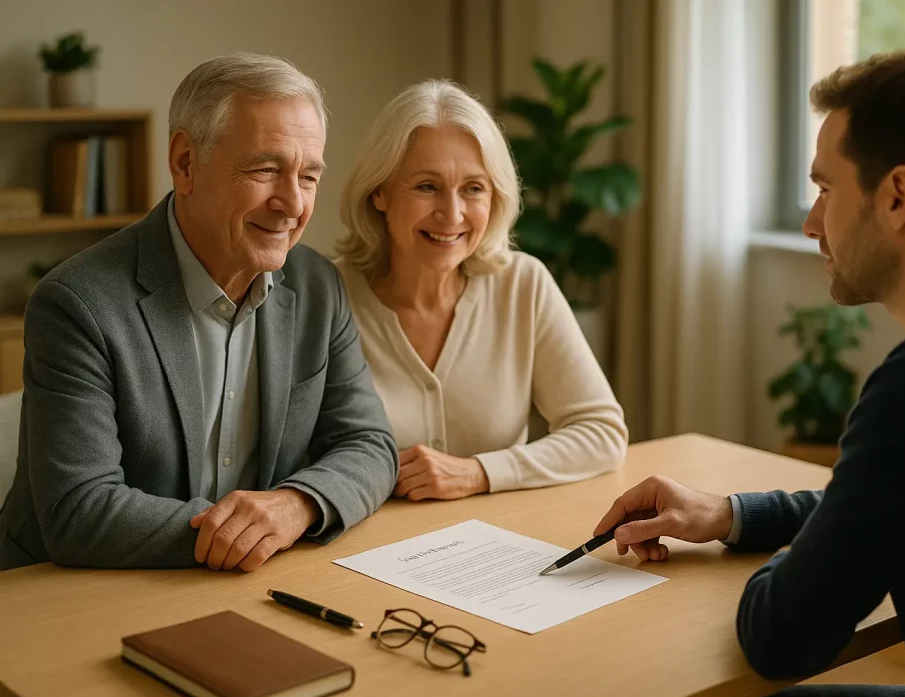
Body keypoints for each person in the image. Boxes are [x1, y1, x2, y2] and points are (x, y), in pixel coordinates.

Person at [593, 48, 905, 697]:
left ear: (899, 196)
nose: (811, 222)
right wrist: (731, 515)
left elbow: (780, 638)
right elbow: (888, 502)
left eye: (825, 189)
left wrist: (803, 562)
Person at [0, 53, 398, 572]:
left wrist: (296, 505)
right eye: (266, 169)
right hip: (64, 591)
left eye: (308, 176)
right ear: (185, 163)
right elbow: (81, 511)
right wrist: (248, 532)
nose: (294, 204)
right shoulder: (77, 303)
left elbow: (368, 443)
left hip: (240, 580)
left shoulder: (318, 286)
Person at [333, 80, 628, 501]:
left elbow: (601, 433)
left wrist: (479, 473)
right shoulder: (327, 297)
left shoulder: (523, 285)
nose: (451, 214)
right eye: (427, 186)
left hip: (496, 535)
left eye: (473, 188)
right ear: (379, 191)